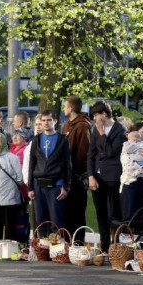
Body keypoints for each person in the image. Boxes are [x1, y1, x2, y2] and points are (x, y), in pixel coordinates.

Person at [87, 101, 126, 253]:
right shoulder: (95, 130)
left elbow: (110, 152)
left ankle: (116, 248)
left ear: (105, 114)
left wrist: (102, 133)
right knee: (101, 214)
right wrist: (91, 175)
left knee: (113, 215)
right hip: (97, 176)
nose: (94, 118)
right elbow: (91, 154)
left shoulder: (119, 130)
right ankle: (104, 247)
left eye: (96, 114)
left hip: (113, 177)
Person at [28, 110, 71, 236]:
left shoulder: (62, 140)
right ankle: (42, 246)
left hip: (56, 184)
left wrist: (66, 186)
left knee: (56, 221)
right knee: (40, 221)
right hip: (38, 184)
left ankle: (57, 247)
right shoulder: (36, 139)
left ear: (55, 121)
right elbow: (32, 163)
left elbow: (68, 165)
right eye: (43, 120)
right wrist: (30, 187)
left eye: (49, 120)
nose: (46, 123)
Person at [0, 132, 24, 242]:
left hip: (9, 198)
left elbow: (20, 179)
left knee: (10, 227)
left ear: (3, 143)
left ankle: (11, 248)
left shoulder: (13, 158)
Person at [62, 96, 91, 235]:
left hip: (77, 177)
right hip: (67, 177)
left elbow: (83, 153)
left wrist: (78, 174)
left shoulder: (82, 126)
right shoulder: (68, 125)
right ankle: (68, 244)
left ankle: (78, 244)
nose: (63, 109)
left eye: (65, 106)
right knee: (67, 215)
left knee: (77, 215)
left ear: (71, 108)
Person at [119, 122, 143, 226]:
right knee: (129, 218)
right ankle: (127, 235)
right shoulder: (128, 146)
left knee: (142, 217)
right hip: (130, 184)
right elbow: (128, 167)